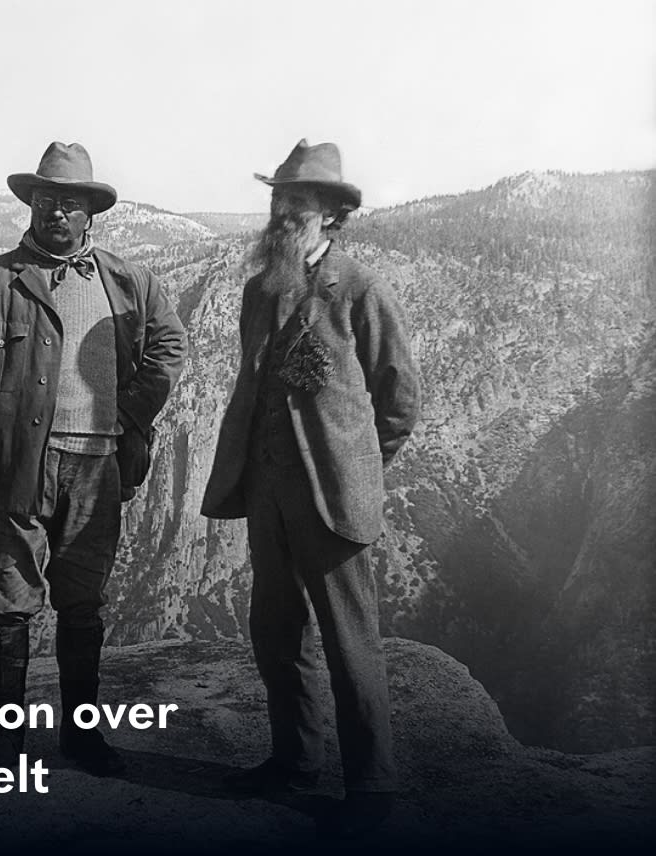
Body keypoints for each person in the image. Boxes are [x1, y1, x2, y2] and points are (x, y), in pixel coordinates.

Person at [0, 141, 186, 776]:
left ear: (90, 214)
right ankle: (5, 741)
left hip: (98, 469)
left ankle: (82, 738)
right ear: (32, 205)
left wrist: (130, 415)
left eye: (70, 204)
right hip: (13, 467)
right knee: (8, 602)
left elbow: (168, 349)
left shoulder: (131, 283)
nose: (57, 213)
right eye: (47, 201)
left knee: (82, 604)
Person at [201, 140, 421, 833]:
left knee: (350, 640)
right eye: (278, 201)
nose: (283, 214)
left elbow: (399, 400)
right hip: (266, 492)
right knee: (275, 629)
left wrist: (356, 466)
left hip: (332, 498)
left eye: (297, 204)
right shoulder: (260, 289)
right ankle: (293, 761)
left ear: (331, 215)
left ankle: (373, 790)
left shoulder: (360, 289)